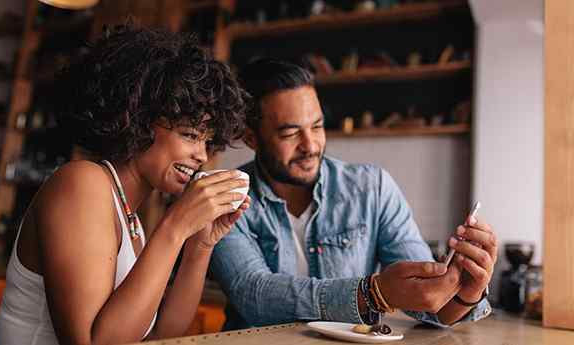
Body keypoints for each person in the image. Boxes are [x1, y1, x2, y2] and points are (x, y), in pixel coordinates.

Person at [0, 24, 251, 345]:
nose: (201, 155)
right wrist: (174, 226)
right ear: (137, 119)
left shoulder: (132, 220)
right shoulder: (81, 183)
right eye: (189, 135)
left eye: (208, 141)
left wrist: (199, 244)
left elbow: (161, 335)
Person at [210, 59, 497, 330]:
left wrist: (464, 293)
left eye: (317, 126)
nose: (310, 145)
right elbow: (253, 296)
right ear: (251, 137)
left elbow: (429, 302)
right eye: (289, 133)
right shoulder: (226, 197)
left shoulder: (373, 188)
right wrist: (373, 293)